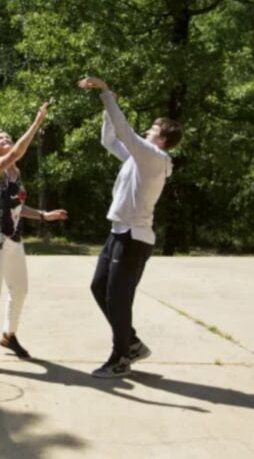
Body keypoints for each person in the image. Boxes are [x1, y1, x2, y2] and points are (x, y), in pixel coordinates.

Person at [77, 76, 183, 378]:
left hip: (135, 239)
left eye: (153, 128)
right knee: (99, 287)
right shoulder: (138, 158)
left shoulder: (153, 156)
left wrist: (107, 93)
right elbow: (110, 140)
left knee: (118, 298)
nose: (148, 130)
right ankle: (132, 343)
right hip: (119, 232)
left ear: (161, 139)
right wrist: (107, 112)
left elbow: (124, 131)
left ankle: (120, 357)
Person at [0, 103, 69, 374]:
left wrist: (43, 215)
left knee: (21, 290)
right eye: (2, 139)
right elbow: (18, 152)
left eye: (9, 138)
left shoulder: (16, 173)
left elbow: (17, 206)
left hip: (13, 238)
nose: (8, 141)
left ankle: (8, 335)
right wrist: (37, 123)